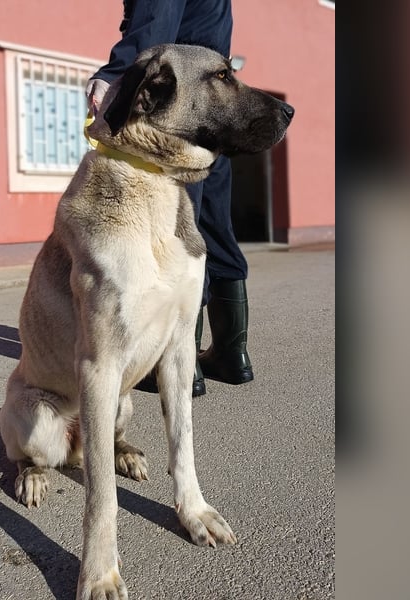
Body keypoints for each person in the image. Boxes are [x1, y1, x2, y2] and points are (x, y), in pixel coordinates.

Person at [86, 0, 254, 396]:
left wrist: (113, 74)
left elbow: (155, 22)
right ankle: (233, 355)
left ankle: (179, 365)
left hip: (179, 111)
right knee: (215, 228)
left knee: (179, 232)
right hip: (213, 115)